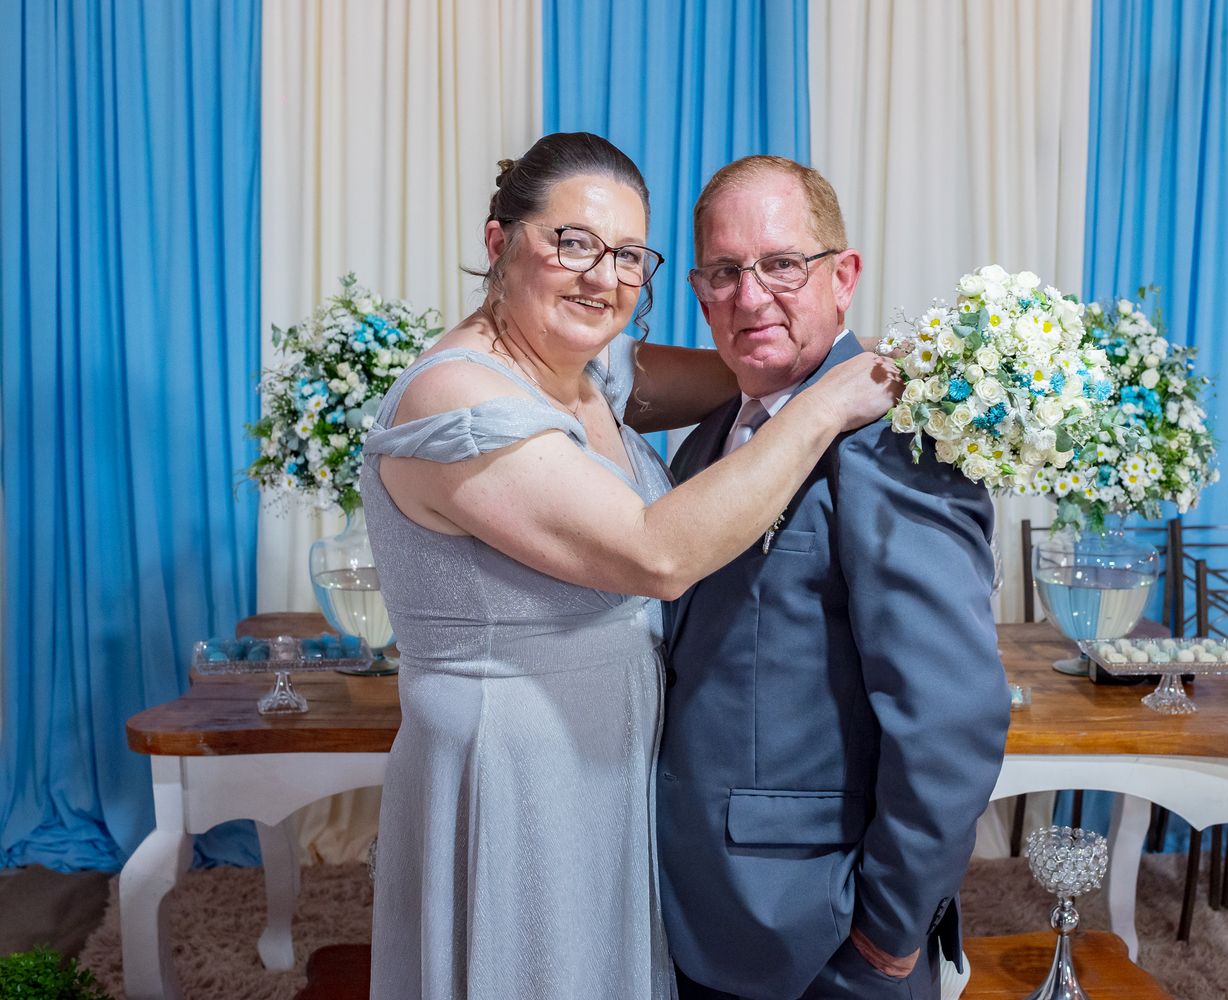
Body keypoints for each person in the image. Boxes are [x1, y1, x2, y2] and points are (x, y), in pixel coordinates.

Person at [360, 132, 901, 1000]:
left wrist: (834, 339)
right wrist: (832, 402)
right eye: (572, 242)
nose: (602, 276)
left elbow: (750, 370)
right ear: (499, 243)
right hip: (515, 774)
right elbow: (658, 553)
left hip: (608, 761)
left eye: (626, 255)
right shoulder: (454, 397)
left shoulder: (587, 369)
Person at [658, 155, 1011, 1000]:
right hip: (699, 904)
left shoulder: (898, 446)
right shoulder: (705, 441)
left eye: (782, 264)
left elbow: (952, 716)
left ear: (843, 277)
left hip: (823, 931)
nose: (750, 297)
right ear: (700, 292)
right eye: (724, 272)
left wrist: (888, 929)